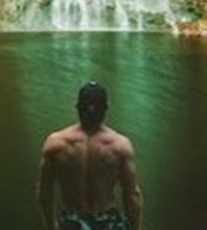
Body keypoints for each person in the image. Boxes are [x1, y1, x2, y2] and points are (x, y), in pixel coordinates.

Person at [37, 81, 143, 230]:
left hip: (72, 222)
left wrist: (51, 226)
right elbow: (132, 195)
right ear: (105, 108)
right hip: (107, 222)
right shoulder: (119, 146)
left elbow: (44, 192)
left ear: (77, 107)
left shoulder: (56, 144)